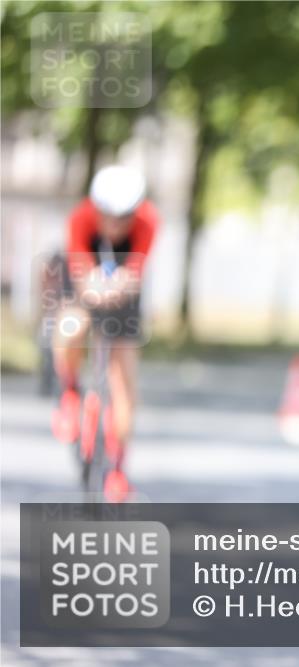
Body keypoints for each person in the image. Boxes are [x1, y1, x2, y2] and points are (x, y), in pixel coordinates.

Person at [50, 165, 158, 501]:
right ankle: (70, 389)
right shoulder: (80, 218)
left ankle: (118, 468)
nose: (115, 225)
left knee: (124, 385)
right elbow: (80, 267)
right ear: (96, 209)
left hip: (123, 288)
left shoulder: (149, 221)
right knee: (70, 327)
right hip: (85, 281)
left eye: (123, 218)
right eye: (107, 217)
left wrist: (122, 285)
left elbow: (136, 268)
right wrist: (92, 288)